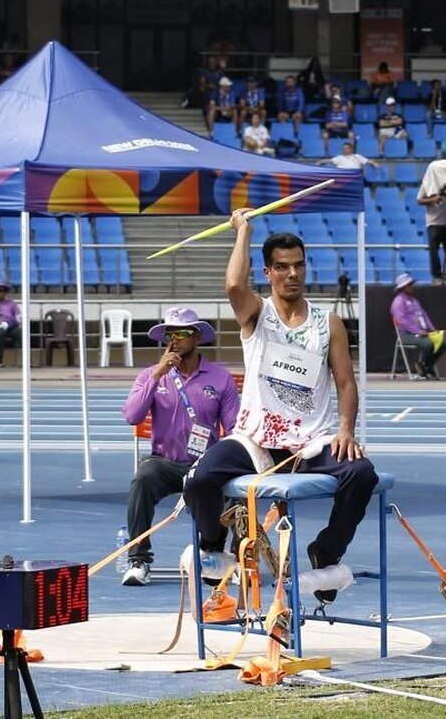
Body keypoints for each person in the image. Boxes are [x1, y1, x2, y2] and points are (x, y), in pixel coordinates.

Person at [183, 223, 377, 606]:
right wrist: (243, 231)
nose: (293, 274)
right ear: (268, 272)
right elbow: (233, 285)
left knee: (362, 473)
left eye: (299, 265)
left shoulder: (328, 323)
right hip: (255, 440)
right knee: (200, 479)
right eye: (283, 267)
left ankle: (327, 550)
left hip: (310, 443)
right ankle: (214, 544)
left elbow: (345, 383)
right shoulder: (257, 314)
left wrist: (345, 429)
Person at [120, 307, 240, 587]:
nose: (174, 339)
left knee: (237, 483)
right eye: (169, 333)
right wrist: (157, 374)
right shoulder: (150, 375)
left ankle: (219, 555)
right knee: (142, 478)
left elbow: (234, 427)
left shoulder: (220, 378)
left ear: (197, 337)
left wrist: (226, 460)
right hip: (165, 462)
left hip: (206, 465)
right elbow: (132, 416)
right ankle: (138, 560)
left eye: (182, 333)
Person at [390, 273, 446, 379]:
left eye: (412, 284)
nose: (412, 287)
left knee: (444, 342)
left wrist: (432, 329)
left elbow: (424, 315)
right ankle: (426, 367)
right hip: (407, 334)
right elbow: (402, 321)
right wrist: (417, 331)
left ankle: (426, 366)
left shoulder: (414, 300)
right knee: (428, 344)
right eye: (410, 285)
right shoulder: (398, 302)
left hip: (423, 332)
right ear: (403, 287)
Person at [417, 174, 446, 284]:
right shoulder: (427, 184)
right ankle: (437, 276)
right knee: (434, 251)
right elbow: (419, 200)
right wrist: (433, 199)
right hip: (434, 223)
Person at [0, 283, 20, 368]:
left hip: (10, 326)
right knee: (1, 332)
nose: (2, 293)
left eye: (4, 291)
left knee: (21, 332)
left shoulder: (12, 303)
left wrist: (13, 323)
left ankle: (26, 360)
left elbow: (18, 317)